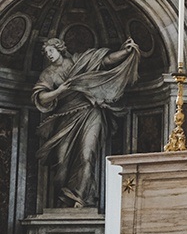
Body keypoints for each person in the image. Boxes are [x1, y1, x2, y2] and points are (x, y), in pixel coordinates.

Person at [33, 37, 139, 208]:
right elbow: (40, 97)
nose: (49, 55)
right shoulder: (48, 74)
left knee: (86, 155)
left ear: (59, 49)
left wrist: (125, 51)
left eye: (51, 51)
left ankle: (80, 199)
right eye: (46, 53)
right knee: (60, 161)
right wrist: (59, 91)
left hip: (90, 112)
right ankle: (65, 199)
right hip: (65, 116)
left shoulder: (80, 60)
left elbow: (106, 60)